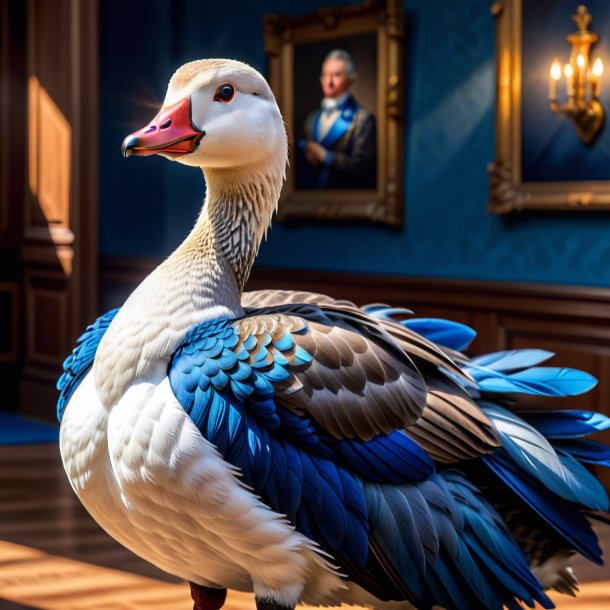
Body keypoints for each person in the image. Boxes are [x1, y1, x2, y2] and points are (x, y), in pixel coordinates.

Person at [297, 49, 376, 190]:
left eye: (337, 75)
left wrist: (326, 157)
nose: (329, 81)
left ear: (351, 79)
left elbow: (361, 166)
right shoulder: (311, 119)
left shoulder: (363, 119)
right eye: (325, 75)